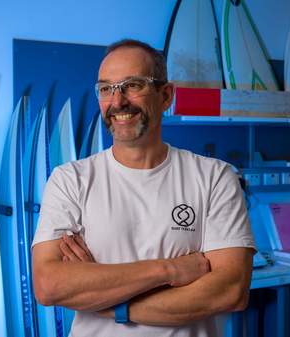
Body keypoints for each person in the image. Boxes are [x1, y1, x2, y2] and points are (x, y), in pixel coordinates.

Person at [31, 39, 256, 337]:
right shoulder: (70, 180)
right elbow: (49, 285)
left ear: (165, 96)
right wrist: (169, 270)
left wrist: (108, 304)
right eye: (106, 89)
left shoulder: (215, 177)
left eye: (133, 85)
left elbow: (230, 292)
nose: (118, 101)